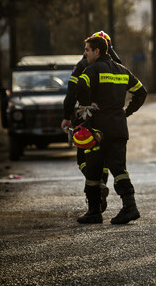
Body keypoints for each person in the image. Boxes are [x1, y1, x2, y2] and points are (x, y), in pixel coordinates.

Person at [75, 36, 147, 224]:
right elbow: (141, 92)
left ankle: (94, 211)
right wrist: (126, 112)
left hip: (98, 129)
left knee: (93, 170)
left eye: (87, 50)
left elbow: (80, 84)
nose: (85, 53)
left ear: (97, 51)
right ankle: (130, 207)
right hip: (118, 127)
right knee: (118, 168)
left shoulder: (92, 69)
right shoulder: (123, 70)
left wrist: (86, 106)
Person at [61, 31, 122, 213]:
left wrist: (67, 116)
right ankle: (101, 190)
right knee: (104, 158)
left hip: (87, 117)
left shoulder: (83, 65)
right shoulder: (117, 65)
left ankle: (96, 193)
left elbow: (72, 91)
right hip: (111, 120)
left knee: (84, 157)